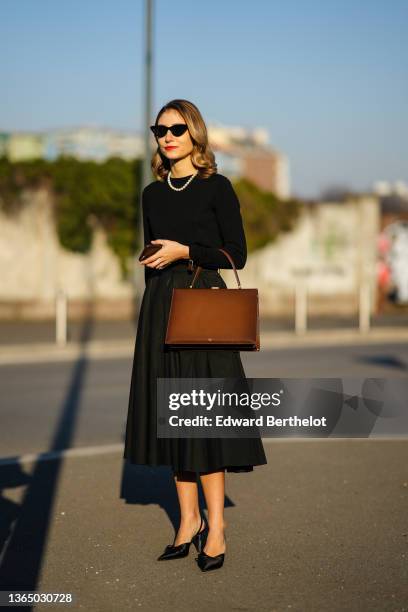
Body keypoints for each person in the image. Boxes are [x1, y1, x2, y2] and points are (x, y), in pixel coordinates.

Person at [123, 99, 267, 572]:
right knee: (173, 420)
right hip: (161, 308)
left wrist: (186, 250)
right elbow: (151, 257)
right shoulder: (152, 193)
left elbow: (237, 254)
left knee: (202, 420)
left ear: (195, 135)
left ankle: (217, 529)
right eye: (159, 129)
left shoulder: (217, 188)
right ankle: (187, 524)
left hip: (204, 306)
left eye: (176, 129)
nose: (166, 136)